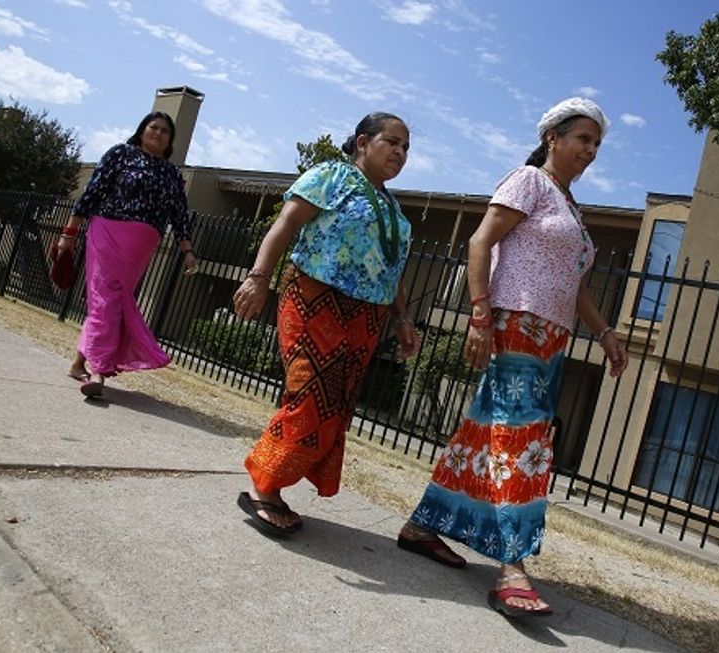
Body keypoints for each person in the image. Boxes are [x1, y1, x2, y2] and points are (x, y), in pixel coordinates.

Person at [397, 97, 628, 618]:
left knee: (486, 431)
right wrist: (480, 315)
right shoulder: (529, 181)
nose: (591, 151)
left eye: (596, 144)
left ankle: (422, 526)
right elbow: (480, 242)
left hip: (554, 338)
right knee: (520, 442)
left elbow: (576, 284)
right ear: (552, 138)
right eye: (583, 139)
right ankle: (511, 565)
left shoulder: (571, 206)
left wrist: (605, 331)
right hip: (516, 324)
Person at [232, 112, 419, 535]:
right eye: (392, 142)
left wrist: (402, 318)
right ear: (362, 142)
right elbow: (286, 223)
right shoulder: (331, 176)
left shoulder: (392, 207)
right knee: (308, 392)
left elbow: (392, 270)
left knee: (336, 405)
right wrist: (258, 278)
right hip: (314, 298)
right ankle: (264, 484)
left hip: (367, 316)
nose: (400, 152)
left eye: (406, 147)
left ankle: (275, 480)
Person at [58, 111, 198, 397]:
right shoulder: (120, 154)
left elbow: (179, 213)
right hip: (107, 231)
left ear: (170, 140)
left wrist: (187, 250)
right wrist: (68, 233)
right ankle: (98, 370)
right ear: (142, 130)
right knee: (107, 298)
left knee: (112, 300)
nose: (158, 133)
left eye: (165, 131)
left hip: (142, 243)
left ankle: (78, 364)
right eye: (153, 127)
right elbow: (92, 193)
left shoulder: (172, 174)